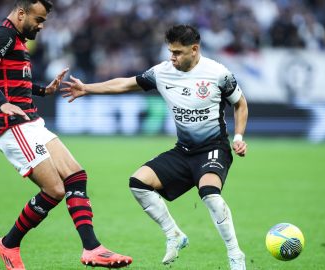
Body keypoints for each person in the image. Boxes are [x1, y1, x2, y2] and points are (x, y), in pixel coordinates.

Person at [62, 24, 248, 270]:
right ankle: (174, 235)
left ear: (195, 49)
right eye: (170, 51)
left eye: (178, 52)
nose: (172, 57)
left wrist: (237, 136)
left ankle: (236, 256)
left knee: (210, 194)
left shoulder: (218, 73)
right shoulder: (162, 72)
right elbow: (125, 84)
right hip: (184, 151)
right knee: (138, 183)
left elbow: (241, 104)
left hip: (214, 148)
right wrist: (87, 88)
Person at [0, 1, 132, 269]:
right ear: (21, 13)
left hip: (30, 120)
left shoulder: (17, 39)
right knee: (54, 190)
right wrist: (1, 103)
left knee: (76, 175)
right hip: (12, 124)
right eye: (38, 20)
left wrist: (42, 91)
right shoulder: (3, 34)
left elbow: (14, 81)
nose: (41, 26)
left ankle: (92, 248)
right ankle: (9, 244)